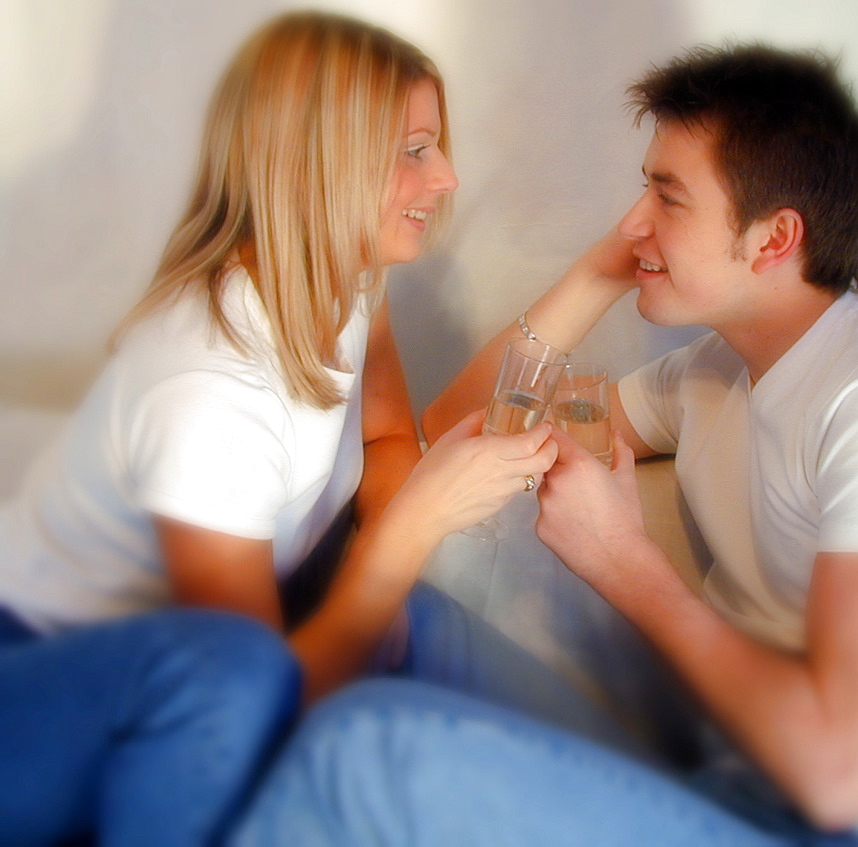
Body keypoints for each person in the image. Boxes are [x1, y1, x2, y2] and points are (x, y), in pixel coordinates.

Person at [228, 44, 858, 846]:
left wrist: (622, 559)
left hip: (851, 829)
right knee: (399, 620)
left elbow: (842, 776)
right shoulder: (714, 371)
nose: (632, 221)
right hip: (727, 778)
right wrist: (602, 272)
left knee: (366, 754)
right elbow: (462, 427)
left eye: (667, 197)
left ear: (774, 239)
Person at [0, 11, 560, 845]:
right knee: (336, 637)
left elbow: (384, 439)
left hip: (212, 644)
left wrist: (382, 564)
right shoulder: (209, 392)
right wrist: (403, 537)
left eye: (436, 145)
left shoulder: (348, 281)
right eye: (414, 150)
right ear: (319, 167)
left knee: (427, 624)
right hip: (53, 676)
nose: (445, 178)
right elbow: (248, 696)